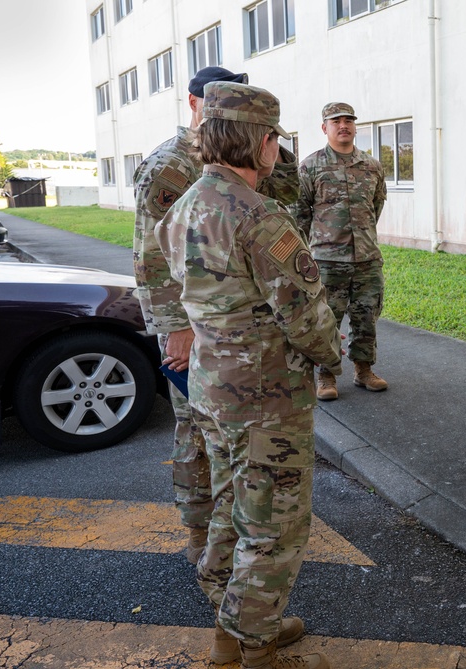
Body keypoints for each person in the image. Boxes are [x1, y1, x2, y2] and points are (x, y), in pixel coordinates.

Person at [154, 81, 341, 669]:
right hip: (268, 398)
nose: (276, 152)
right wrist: (331, 357)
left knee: (236, 508)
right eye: (274, 142)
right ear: (262, 142)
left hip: (212, 391)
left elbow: (174, 291)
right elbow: (308, 319)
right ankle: (258, 652)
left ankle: (229, 634)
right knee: (275, 530)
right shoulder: (260, 217)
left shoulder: (184, 206)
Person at [132, 66, 301, 567]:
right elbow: (149, 258)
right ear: (192, 102)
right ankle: (198, 534)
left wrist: (267, 145)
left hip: (240, 326)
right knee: (197, 436)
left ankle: (227, 543)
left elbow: (285, 193)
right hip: (197, 329)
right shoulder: (170, 166)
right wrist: (176, 331)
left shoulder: (242, 157)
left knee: (231, 442)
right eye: (216, 100)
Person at [296, 102, 388, 401]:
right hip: (326, 260)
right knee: (327, 320)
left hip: (367, 259)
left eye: (349, 120)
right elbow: (300, 212)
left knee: (366, 317)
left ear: (355, 126)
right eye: (336, 121)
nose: (343, 125)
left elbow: (376, 206)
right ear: (325, 128)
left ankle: (363, 371)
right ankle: (326, 375)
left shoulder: (372, 166)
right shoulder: (310, 166)